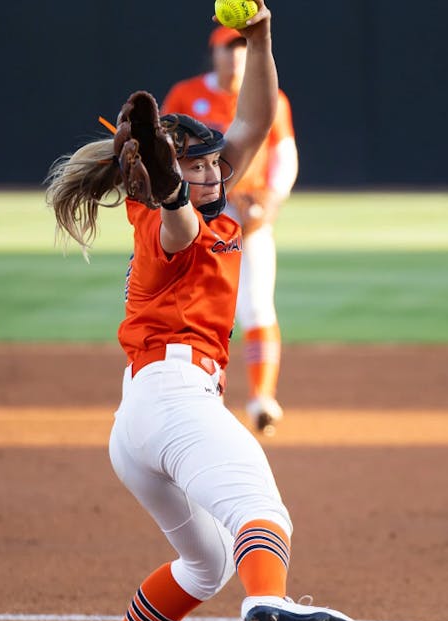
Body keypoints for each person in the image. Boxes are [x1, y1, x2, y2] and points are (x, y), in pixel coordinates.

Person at [45, 2, 360, 621]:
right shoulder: (167, 223)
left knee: (205, 562)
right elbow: (178, 217)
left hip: (138, 424)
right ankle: (269, 600)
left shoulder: (209, 195)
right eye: (197, 164)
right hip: (176, 402)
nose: (214, 171)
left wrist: (261, 36)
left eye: (214, 161)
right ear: (165, 175)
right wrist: (166, 178)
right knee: (261, 508)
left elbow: (253, 123)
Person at [162, 24, 298, 436]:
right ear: (215, 53)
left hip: (250, 217)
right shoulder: (186, 94)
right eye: (228, 48)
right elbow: (165, 156)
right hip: (198, 219)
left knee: (256, 306)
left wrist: (272, 202)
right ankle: (203, 399)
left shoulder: (272, 97)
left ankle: (262, 399)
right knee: (199, 311)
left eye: (241, 47)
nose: (236, 55)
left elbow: (284, 155)